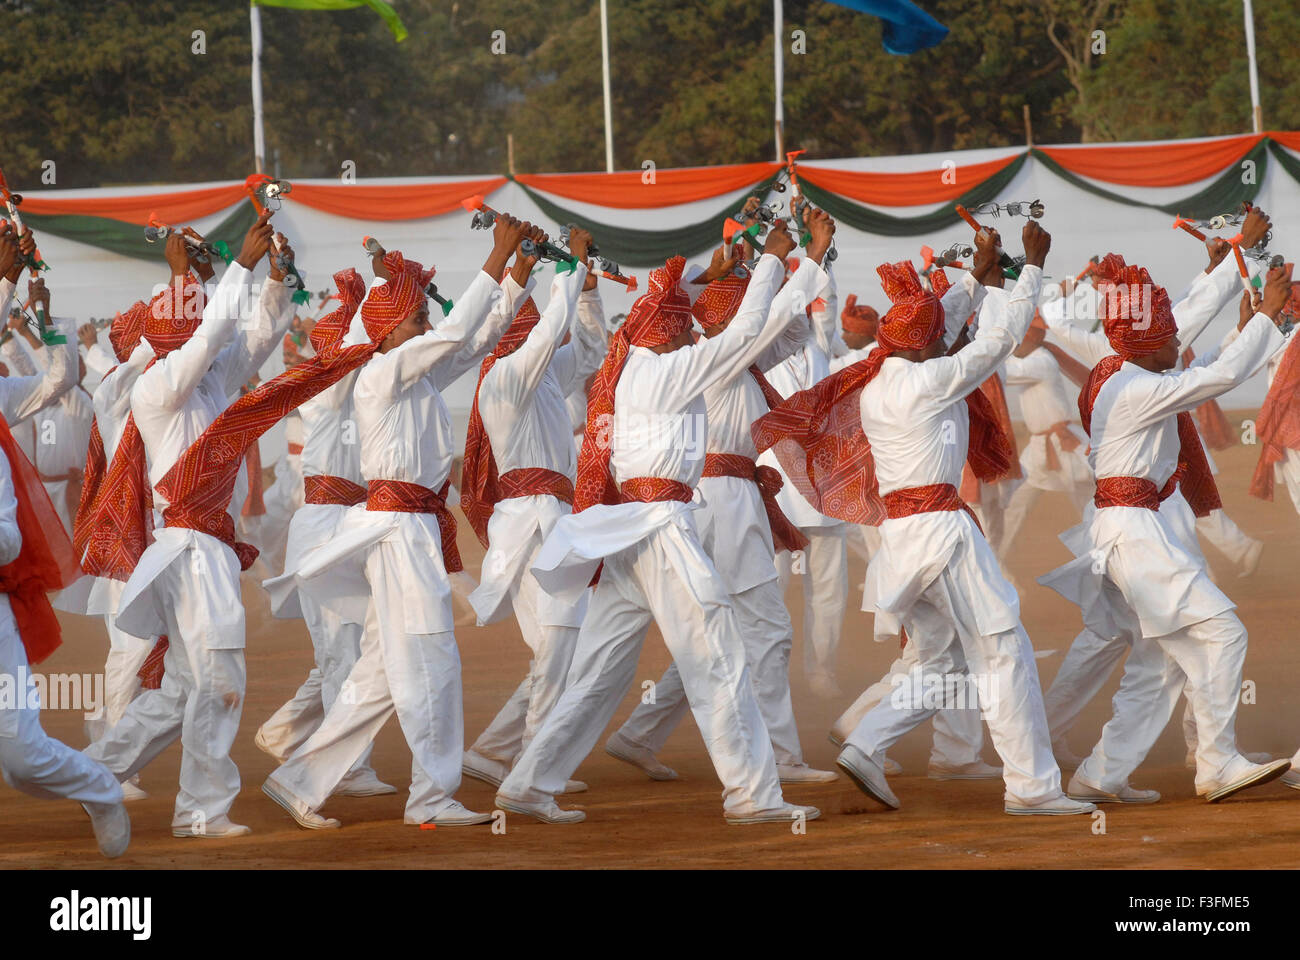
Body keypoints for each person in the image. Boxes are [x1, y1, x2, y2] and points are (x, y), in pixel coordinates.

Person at [498, 215, 832, 826]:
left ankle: (527, 782)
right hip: (662, 528)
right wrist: (779, 259)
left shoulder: (636, 368)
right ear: (671, 336)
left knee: (599, 672)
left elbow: (745, 332)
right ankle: (753, 795)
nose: (694, 339)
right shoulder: (667, 370)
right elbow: (749, 328)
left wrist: (759, 268)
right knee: (719, 658)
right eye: (687, 331)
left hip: (632, 530)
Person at [757, 220, 1093, 816]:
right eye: (939, 339)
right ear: (921, 346)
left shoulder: (884, 375)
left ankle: (867, 741)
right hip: (943, 534)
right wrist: (1034, 266)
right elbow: (997, 340)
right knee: (1002, 647)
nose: (947, 343)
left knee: (943, 659)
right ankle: (1033, 788)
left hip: (902, 540)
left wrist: (977, 273)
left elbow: (942, 320)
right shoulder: (928, 380)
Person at [263, 215, 527, 829]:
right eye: (414, 320)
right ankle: (432, 798)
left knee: (383, 669)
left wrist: (516, 277)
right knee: (433, 658)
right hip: (398, 531)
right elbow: (457, 328)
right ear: (383, 334)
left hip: (408, 530)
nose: (426, 326)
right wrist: (495, 255)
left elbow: (473, 339)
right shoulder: (384, 373)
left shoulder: (417, 379)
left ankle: (300, 780)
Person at [1040, 254, 1294, 804]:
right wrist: (1267, 319)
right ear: (1145, 342)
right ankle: (1217, 762)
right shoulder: (1134, 388)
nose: (1178, 344)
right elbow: (1220, 376)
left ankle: (1100, 775)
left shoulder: (1127, 374)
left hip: (1129, 531)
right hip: (1135, 535)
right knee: (1223, 632)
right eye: (1171, 337)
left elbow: (1209, 372)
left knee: (1160, 662)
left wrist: (1255, 322)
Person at [83, 214, 294, 838]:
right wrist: (222, 271)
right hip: (189, 550)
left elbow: (248, 343)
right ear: (172, 336)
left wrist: (273, 282)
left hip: (204, 550)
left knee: (184, 687)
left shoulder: (204, 386)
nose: (204, 331)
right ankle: (200, 811)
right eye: (191, 319)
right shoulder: (155, 389)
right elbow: (207, 340)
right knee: (219, 675)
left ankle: (93, 773)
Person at [605, 248, 837, 785]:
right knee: (767, 629)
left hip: (725, 501)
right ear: (724, 322)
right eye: (738, 315)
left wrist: (802, 265)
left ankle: (640, 733)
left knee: (717, 632)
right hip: (721, 503)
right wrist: (789, 262)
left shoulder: (734, 364)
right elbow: (778, 322)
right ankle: (780, 758)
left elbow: (794, 333)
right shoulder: (714, 360)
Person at [460, 226, 610, 790]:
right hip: (530, 524)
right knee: (560, 644)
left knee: (559, 646)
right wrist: (569, 265)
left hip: (554, 522)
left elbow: (590, 349)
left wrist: (589, 287)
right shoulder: (505, 377)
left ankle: (501, 753)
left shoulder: (544, 378)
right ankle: (533, 765)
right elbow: (550, 334)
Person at [0, 223, 129, 858]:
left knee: (21, 761)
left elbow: (59, 376)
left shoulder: (3, 399)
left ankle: (100, 786)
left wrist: (39, 314)